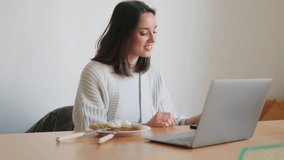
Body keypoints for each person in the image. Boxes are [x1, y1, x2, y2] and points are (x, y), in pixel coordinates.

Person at [72, 0, 200, 131]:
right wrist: (145, 128)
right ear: (123, 34)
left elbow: (167, 121)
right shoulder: (95, 73)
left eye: (154, 32)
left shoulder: (152, 74)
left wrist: (191, 122)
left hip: (147, 152)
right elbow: (91, 133)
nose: (153, 39)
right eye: (144, 33)